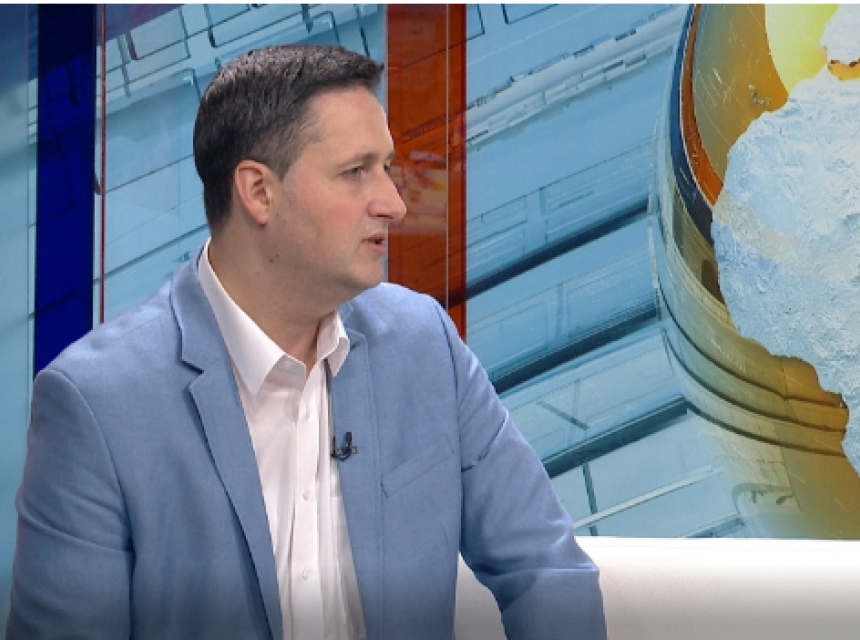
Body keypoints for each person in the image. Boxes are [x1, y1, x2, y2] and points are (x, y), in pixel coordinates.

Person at [7, 44, 607, 640]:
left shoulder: (424, 345)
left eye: (386, 168)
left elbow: (546, 569)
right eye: (356, 172)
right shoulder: (98, 404)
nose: (394, 204)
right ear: (258, 192)